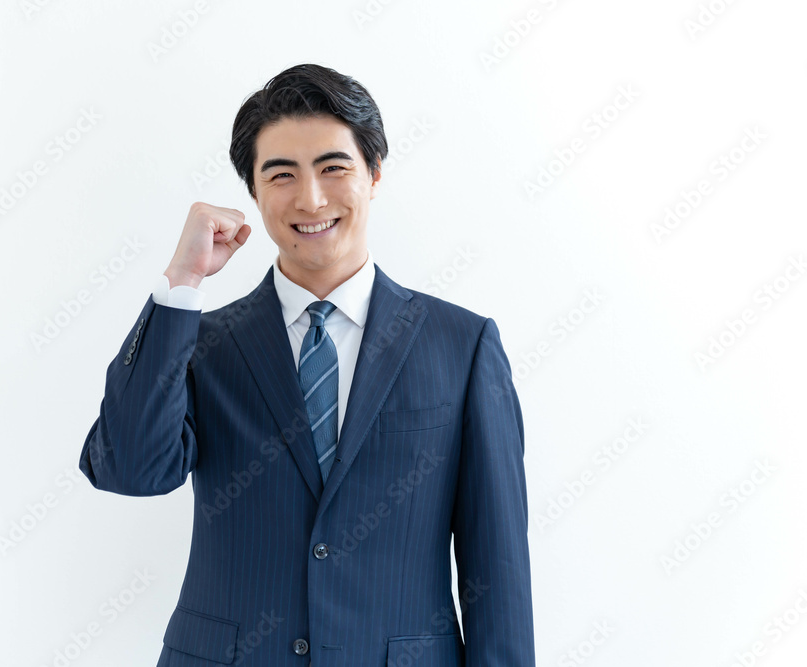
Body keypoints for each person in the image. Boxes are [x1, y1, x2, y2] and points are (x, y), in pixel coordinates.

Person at [78, 62, 535, 667]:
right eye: (282, 174)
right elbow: (130, 470)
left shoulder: (462, 345)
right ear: (254, 193)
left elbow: (497, 566)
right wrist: (182, 283)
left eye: (333, 168)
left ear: (374, 174)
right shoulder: (203, 346)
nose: (310, 198)